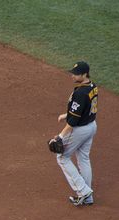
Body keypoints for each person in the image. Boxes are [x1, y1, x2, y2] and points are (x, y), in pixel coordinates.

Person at [52, 61, 99, 206]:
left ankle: (83, 191)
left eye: (76, 74)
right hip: (91, 125)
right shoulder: (92, 86)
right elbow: (83, 109)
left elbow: (72, 123)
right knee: (83, 158)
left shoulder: (80, 93)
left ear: (84, 74)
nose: (72, 76)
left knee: (62, 157)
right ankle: (88, 197)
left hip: (80, 130)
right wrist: (67, 114)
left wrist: (60, 137)